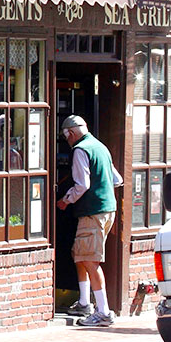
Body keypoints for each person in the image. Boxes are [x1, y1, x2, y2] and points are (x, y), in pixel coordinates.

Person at [59, 114, 119, 328]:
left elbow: (82, 185)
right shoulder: (100, 146)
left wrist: (66, 201)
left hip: (92, 212)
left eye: (66, 138)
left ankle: (103, 311)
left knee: (91, 261)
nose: (68, 142)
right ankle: (85, 302)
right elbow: (117, 179)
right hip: (107, 209)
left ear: (71, 134)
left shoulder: (80, 150)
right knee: (80, 255)